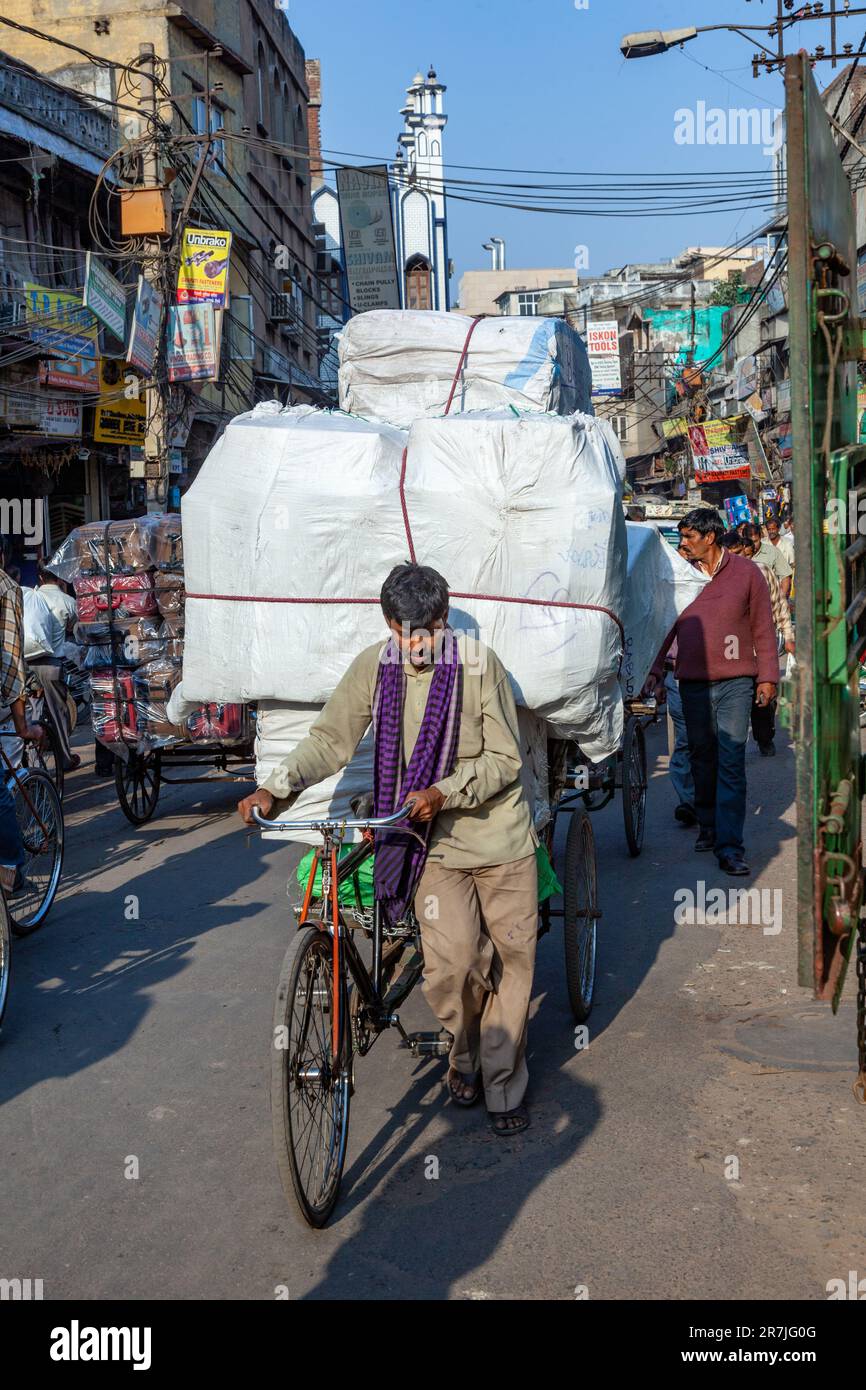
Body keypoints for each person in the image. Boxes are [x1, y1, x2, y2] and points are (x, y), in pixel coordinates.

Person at [238, 562, 539, 1136]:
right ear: (388, 625)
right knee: (451, 967)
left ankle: (502, 1084)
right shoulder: (376, 667)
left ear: (443, 620)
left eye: (424, 632)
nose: (415, 646)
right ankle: (464, 1054)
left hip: (499, 837)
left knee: (514, 961)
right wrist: (274, 788)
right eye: (404, 634)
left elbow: (504, 758)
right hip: (431, 843)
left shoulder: (481, 667)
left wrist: (441, 791)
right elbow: (331, 738)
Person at [643, 508, 778, 877]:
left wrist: (768, 677)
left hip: (736, 681)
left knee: (731, 759)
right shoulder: (678, 576)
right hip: (692, 682)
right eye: (681, 537)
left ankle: (730, 846)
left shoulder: (747, 573)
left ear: (710, 537)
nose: (682, 543)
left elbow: (763, 627)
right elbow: (663, 626)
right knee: (702, 756)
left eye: (688, 537)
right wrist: (654, 671)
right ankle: (708, 823)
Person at [721, 531, 794, 757]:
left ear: (745, 550)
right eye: (729, 554)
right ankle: (734, 743)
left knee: (764, 696)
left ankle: (765, 738)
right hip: (732, 649)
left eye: (738, 553)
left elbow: (779, 604)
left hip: (761, 646)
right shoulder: (713, 576)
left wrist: (788, 635)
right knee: (737, 698)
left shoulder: (762, 570)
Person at [0, 548, 44, 894]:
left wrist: (20, 726)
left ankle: (10, 869)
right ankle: (10, 867)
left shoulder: (6, 589)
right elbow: (13, 664)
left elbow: (13, 664)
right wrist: (22, 727)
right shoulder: (6, 589)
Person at [21, 580, 80, 773]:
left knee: (31, 709)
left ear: (40, 578)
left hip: (26, 663)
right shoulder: (67, 600)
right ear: (61, 580)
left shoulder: (30, 596)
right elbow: (75, 628)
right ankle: (64, 758)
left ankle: (33, 764)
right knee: (58, 713)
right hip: (51, 664)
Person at [740, 520, 792, 600]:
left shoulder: (772, 552)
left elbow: (785, 577)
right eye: (750, 542)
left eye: (756, 541)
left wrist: (781, 600)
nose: (753, 545)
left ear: (760, 537)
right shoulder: (739, 555)